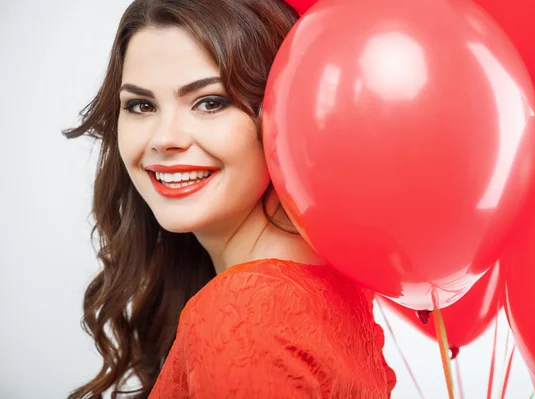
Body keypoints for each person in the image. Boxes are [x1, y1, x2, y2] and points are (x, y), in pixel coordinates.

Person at [64, 0, 397, 397]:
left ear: (283, 110)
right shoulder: (322, 285)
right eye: (141, 105)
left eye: (210, 102)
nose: (165, 138)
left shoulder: (245, 313)